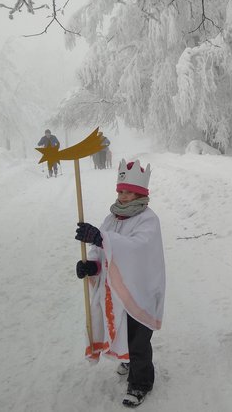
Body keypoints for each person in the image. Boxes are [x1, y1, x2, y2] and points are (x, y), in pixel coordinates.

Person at [74, 159, 165, 408]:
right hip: (117, 292)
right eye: (120, 191)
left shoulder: (148, 219)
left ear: (140, 193)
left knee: (138, 339)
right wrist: (91, 266)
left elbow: (137, 250)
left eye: (127, 191)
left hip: (140, 293)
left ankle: (141, 382)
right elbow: (101, 252)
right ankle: (128, 360)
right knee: (124, 332)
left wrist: (101, 237)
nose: (122, 196)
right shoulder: (112, 217)